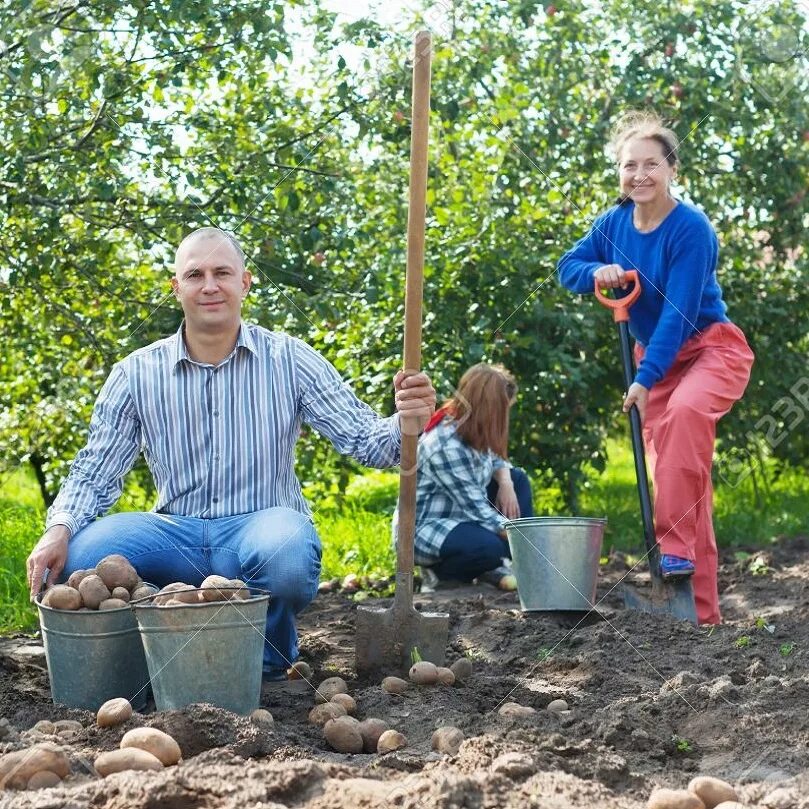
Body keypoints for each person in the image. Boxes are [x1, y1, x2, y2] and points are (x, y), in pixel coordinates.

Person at [26, 227, 436, 681]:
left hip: (259, 528)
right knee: (84, 555)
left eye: (222, 272)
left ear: (245, 282)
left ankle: (266, 654)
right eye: (195, 274)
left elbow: (368, 442)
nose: (209, 285)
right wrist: (58, 529)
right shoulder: (136, 374)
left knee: (285, 555)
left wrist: (407, 423)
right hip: (174, 534)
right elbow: (95, 471)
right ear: (176, 287)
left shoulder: (290, 360)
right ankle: (161, 637)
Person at [557, 111, 754, 625]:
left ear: (672, 170)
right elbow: (567, 268)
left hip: (709, 348)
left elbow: (679, 314)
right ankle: (702, 617)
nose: (639, 175)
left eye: (651, 164)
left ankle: (673, 551)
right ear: (619, 173)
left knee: (687, 413)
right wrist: (595, 270)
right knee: (683, 480)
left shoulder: (691, 229)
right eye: (629, 166)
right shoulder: (612, 223)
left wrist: (644, 381)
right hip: (657, 362)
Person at [395, 363, 534, 591]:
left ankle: (519, 564)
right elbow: (479, 510)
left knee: (517, 478)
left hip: (461, 518)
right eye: (502, 411)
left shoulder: (472, 427)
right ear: (489, 409)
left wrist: (506, 483)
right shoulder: (445, 446)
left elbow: (495, 459)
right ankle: (440, 575)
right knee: (490, 548)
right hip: (426, 530)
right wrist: (531, 541)